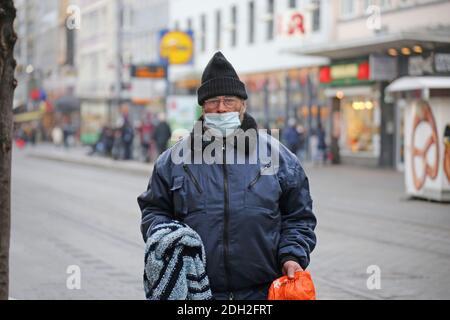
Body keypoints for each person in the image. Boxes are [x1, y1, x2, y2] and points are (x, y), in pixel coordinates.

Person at [137, 52, 316, 300]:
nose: (221, 108)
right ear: (203, 107)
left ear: (243, 104)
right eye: (212, 101)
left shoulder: (279, 158)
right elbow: (154, 211)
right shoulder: (173, 161)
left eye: (229, 100)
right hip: (196, 292)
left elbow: (299, 216)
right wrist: (169, 238)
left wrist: (293, 256)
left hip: (262, 293)